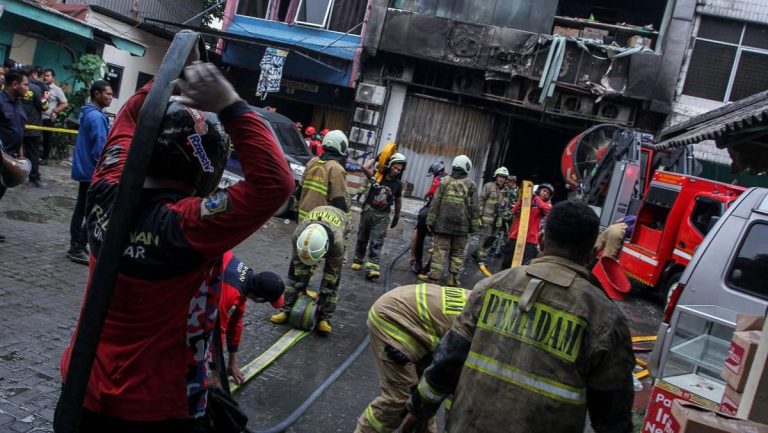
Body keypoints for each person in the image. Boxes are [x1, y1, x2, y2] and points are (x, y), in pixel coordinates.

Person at [58, 62, 294, 431]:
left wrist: (175, 71)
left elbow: (131, 114)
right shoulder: (189, 224)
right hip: (156, 407)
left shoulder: (104, 189)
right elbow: (275, 184)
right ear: (208, 167)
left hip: (80, 388)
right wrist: (229, 104)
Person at [400, 201, 635, 433]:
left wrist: (417, 412)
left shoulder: (490, 287)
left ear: (541, 239)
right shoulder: (606, 319)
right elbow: (613, 415)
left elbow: (448, 361)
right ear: (592, 254)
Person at [356, 283, 469, 433]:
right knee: (401, 401)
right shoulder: (479, 337)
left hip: (413, 311)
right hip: (394, 317)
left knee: (422, 397)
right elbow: (450, 385)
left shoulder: (481, 301)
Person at [271, 205, 348, 334]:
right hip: (315, 225)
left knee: (331, 280)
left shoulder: (337, 242)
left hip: (340, 224)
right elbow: (297, 266)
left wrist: (324, 293)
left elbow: (331, 274)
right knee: (294, 276)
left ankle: (324, 318)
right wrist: (301, 286)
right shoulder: (298, 236)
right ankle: (286, 309)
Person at [214, 251, 286, 385]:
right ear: (259, 299)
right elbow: (217, 335)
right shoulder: (230, 294)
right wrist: (215, 375)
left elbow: (236, 323)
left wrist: (232, 363)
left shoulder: (246, 280)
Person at [67, 80, 112, 265]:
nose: (110, 98)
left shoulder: (89, 113)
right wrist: (104, 168)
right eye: (108, 94)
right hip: (92, 170)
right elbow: (100, 148)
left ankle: (76, 246)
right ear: (97, 94)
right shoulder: (96, 117)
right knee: (93, 210)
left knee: (83, 208)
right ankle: (78, 247)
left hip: (85, 169)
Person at [418, 155, 480, 287]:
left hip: (443, 224)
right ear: (467, 167)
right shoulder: (471, 185)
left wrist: (430, 220)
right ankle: (453, 279)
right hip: (462, 226)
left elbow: (435, 202)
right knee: (457, 252)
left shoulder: (444, 181)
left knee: (440, 250)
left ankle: (434, 278)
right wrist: (474, 227)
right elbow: (475, 207)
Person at [351, 152, 406, 280]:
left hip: (383, 216)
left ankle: (372, 267)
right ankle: (358, 259)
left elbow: (398, 201)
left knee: (377, 241)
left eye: (399, 170)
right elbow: (365, 167)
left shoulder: (398, 184)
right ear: (389, 165)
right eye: (395, 167)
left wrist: (397, 215)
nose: (396, 171)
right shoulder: (377, 175)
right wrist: (377, 158)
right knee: (362, 237)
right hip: (368, 211)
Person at [296, 130, 350, 222]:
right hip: (321, 223)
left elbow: (298, 193)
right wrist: (346, 219)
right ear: (342, 147)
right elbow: (339, 201)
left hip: (303, 219)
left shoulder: (312, 162)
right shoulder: (336, 169)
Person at [502, 182, 554, 267]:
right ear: (539, 190)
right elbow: (514, 211)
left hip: (531, 241)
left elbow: (543, 208)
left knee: (524, 266)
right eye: (544, 191)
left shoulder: (547, 205)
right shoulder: (527, 200)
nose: (545, 194)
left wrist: (535, 197)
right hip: (515, 237)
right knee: (507, 263)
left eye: (548, 193)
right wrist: (522, 199)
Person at [410, 161, 447, 275]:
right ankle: (428, 267)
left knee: (419, 233)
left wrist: (427, 194)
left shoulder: (438, 178)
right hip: (445, 213)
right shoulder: (449, 178)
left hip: (433, 210)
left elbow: (434, 190)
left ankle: (418, 263)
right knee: (439, 242)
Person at [473, 167, 509, 266]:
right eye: (500, 177)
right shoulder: (488, 186)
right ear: (496, 177)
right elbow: (481, 201)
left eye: (504, 177)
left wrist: (505, 217)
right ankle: (481, 258)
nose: (501, 179)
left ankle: (476, 253)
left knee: (491, 239)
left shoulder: (506, 191)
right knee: (485, 238)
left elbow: (506, 206)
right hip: (487, 218)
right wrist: (479, 215)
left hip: (498, 221)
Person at [20, 66, 49, 187]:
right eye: (41, 76)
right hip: (32, 127)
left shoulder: (16, 86)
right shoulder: (36, 89)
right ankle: (34, 178)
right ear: (34, 74)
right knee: (33, 153)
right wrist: (46, 98)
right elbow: (44, 107)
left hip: (17, 125)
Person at [40, 68, 69, 165]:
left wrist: (55, 111)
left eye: (48, 76)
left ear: (53, 78)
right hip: (38, 116)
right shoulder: (40, 87)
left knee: (47, 139)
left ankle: (45, 158)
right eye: (44, 75)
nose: (45, 77)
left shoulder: (56, 90)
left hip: (48, 118)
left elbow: (64, 103)